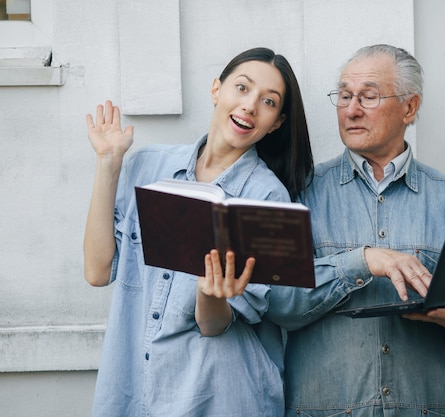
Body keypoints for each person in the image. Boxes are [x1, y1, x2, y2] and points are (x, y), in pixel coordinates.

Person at [263, 44, 445, 416]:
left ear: (409, 108)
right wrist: (361, 262)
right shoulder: (297, 194)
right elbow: (278, 304)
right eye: (345, 96)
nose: (351, 109)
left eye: (368, 96)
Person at [83, 47, 314, 417]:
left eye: (267, 101)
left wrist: (210, 293)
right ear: (215, 90)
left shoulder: (268, 197)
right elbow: (97, 272)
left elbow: (213, 324)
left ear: (276, 122)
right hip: (131, 386)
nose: (250, 105)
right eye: (242, 87)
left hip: (214, 394)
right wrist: (108, 165)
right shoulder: (147, 166)